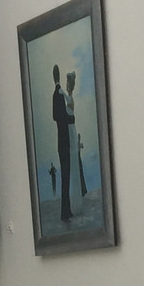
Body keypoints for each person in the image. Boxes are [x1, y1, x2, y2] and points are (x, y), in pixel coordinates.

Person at [51, 63, 73, 222]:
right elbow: (60, 116)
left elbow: (55, 116)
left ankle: (66, 210)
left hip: (61, 140)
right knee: (66, 175)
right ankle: (65, 211)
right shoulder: (58, 94)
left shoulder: (55, 94)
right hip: (64, 140)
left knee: (66, 175)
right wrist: (70, 118)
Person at [64, 70, 79, 211]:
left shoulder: (69, 99)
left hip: (70, 130)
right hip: (70, 130)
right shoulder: (69, 98)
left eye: (67, 83)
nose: (66, 85)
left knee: (73, 162)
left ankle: (76, 203)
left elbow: (63, 94)